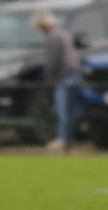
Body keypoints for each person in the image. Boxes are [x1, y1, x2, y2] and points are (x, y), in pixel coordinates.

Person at [33, 10, 80, 152]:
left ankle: (63, 140)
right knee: (70, 110)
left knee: (62, 110)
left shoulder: (53, 37)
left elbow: (53, 61)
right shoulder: (64, 32)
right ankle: (69, 140)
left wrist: (48, 78)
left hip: (63, 77)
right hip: (74, 74)